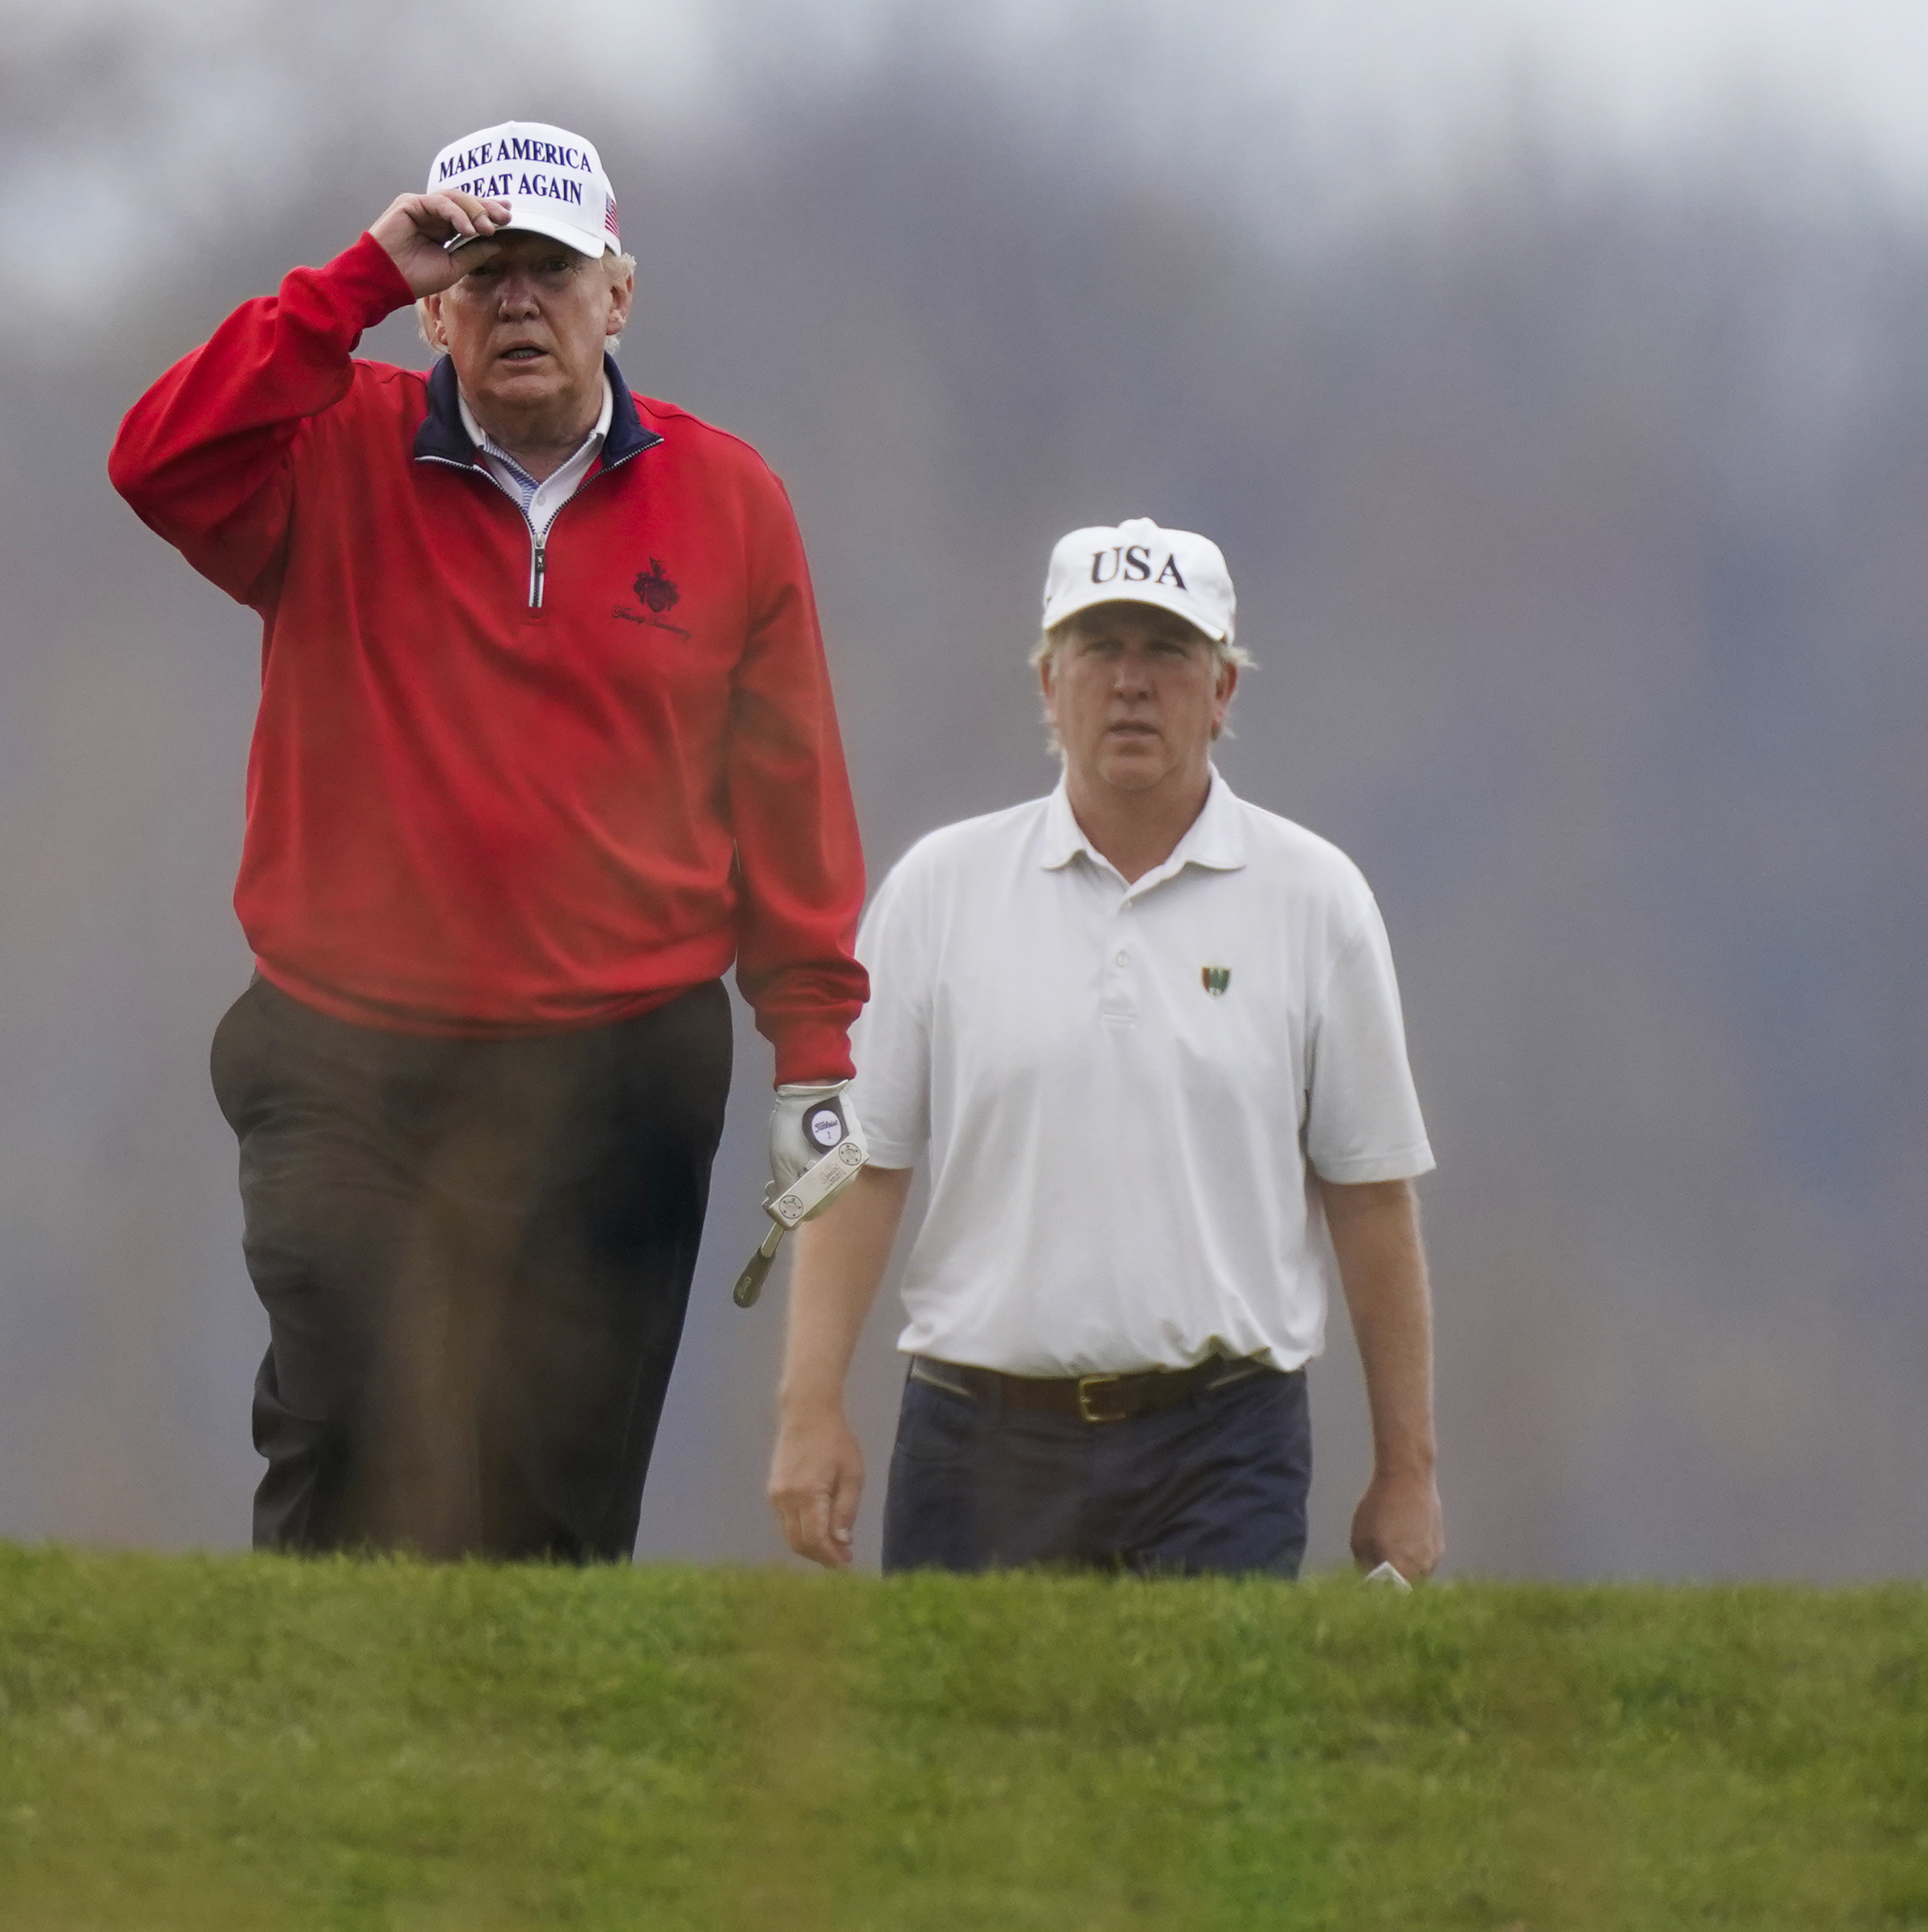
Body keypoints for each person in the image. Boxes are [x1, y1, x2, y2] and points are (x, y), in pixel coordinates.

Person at [108, 122, 868, 1561]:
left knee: (554, 1505)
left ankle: (524, 1784)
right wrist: (347, 285)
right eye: (480, 269)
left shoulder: (728, 500)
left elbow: (787, 791)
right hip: (343, 1054)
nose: (519, 300)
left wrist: (813, 1045)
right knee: (342, 1440)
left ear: (616, 296)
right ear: (435, 306)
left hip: (617, 1064)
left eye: (553, 269)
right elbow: (155, 461)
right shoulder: (332, 451)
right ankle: (314, 1767)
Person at [764, 517, 1443, 1580]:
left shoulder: (1316, 901)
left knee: (1201, 1744)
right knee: (960, 1747)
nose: (1131, 683)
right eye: (1098, 649)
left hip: (1223, 1444)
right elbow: (863, 1167)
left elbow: (1369, 1195)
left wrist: (1407, 1469)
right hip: (974, 1436)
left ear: (1222, 691)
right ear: (1048, 682)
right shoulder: (940, 890)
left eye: (1167, 651)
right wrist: (809, 1411)